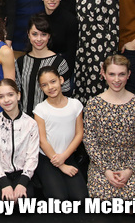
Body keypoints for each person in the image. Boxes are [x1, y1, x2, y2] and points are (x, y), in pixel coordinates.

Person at [83, 55, 135, 200]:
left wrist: (129, 170)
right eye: (112, 74)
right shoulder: (93, 104)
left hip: (130, 165)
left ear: (129, 75)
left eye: (121, 74)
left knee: (133, 203)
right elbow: (90, 141)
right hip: (101, 165)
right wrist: (106, 170)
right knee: (102, 201)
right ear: (104, 74)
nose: (116, 80)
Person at [34, 67, 87, 200]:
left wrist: (64, 157)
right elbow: (42, 140)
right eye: (44, 85)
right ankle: (42, 179)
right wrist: (61, 165)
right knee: (59, 198)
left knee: (80, 197)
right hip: (47, 157)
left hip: (67, 155)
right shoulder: (40, 109)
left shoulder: (75, 105)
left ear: (61, 80)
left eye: (53, 81)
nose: (50, 87)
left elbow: (79, 134)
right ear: (41, 88)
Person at [74, 0, 119, 105]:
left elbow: (113, 29)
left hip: (100, 53)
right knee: (80, 95)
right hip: (81, 51)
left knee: (98, 97)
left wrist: (108, 62)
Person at [0, 79, 39, 201]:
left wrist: (23, 182)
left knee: (24, 204)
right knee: (5, 204)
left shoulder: (31, 123)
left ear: (18, 95)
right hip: (2, 173)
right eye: (1, 96)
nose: (6, 100)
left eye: (10, 95)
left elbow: (32, 156)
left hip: (23, 173)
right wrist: (4, 183)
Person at [16, 14, 71, 115]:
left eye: (43, 34)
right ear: (28, 34)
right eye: (35, 34)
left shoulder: (60, 63)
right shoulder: (20, 62)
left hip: (52, 120)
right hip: (26, 121)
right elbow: (17, 93)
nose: (39, 39)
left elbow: (66, 95)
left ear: (49, 35)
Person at [41, 0, 78, 71]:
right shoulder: (37, 19)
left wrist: (63, 77)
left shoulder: (70, 20)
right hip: (41, 69)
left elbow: (71, 54)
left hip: (62, 70)